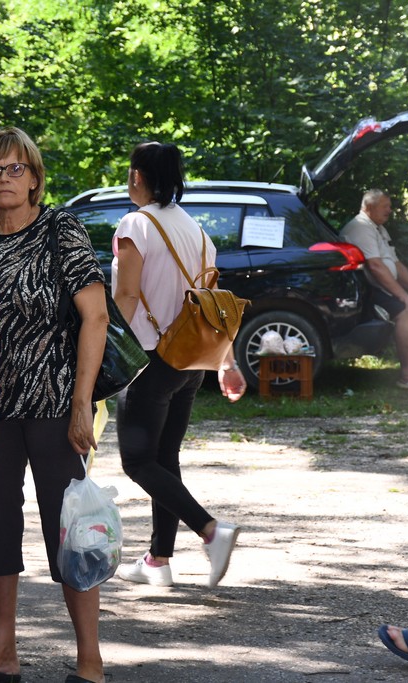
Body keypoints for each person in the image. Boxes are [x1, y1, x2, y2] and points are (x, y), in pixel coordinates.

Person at [0, 126, 109, 683]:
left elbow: (95, 318)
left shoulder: (60, 229)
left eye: (15, 169)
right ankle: (3, 653)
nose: (5, 179)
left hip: (54, 406)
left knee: (71, 529)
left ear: (34, 178)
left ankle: (90, 659)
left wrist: (81, 401)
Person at [111, 141, 246, 590]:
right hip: (190, 359)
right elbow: (213, 305)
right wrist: (225, 361)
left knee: (136, 461)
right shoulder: (199, 233)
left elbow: (126, 296)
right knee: (164, 458)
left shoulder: (136, 224)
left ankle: (210, 530)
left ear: (137, 177)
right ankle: (158, 560)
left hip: (149, 357)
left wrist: (104, 349)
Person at [339, 189, 408, 391]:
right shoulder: (360, 227)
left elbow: (397, 266)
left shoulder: (378, 228)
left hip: (385, 288)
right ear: (369, 207)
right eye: (385, 206)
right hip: (369, 289)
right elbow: (375, 267)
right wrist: (404, 296)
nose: (390, 210)